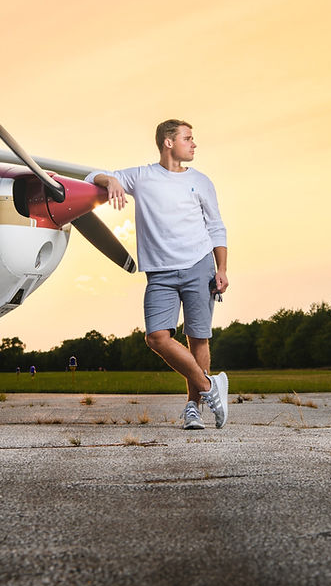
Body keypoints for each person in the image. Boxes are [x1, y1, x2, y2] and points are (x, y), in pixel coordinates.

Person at [86, 119, 229, 429]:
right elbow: (90, 176)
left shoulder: (202, 181)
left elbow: (216, 226)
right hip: (160, 274)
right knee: (156, 337)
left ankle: (195, 408)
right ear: (168, 142)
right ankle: (209, 387)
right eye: (187, 138)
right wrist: (109, 181)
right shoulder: (141, 177)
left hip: (199, 265)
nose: (194, 144)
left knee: (198, 338)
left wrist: (222, 269)